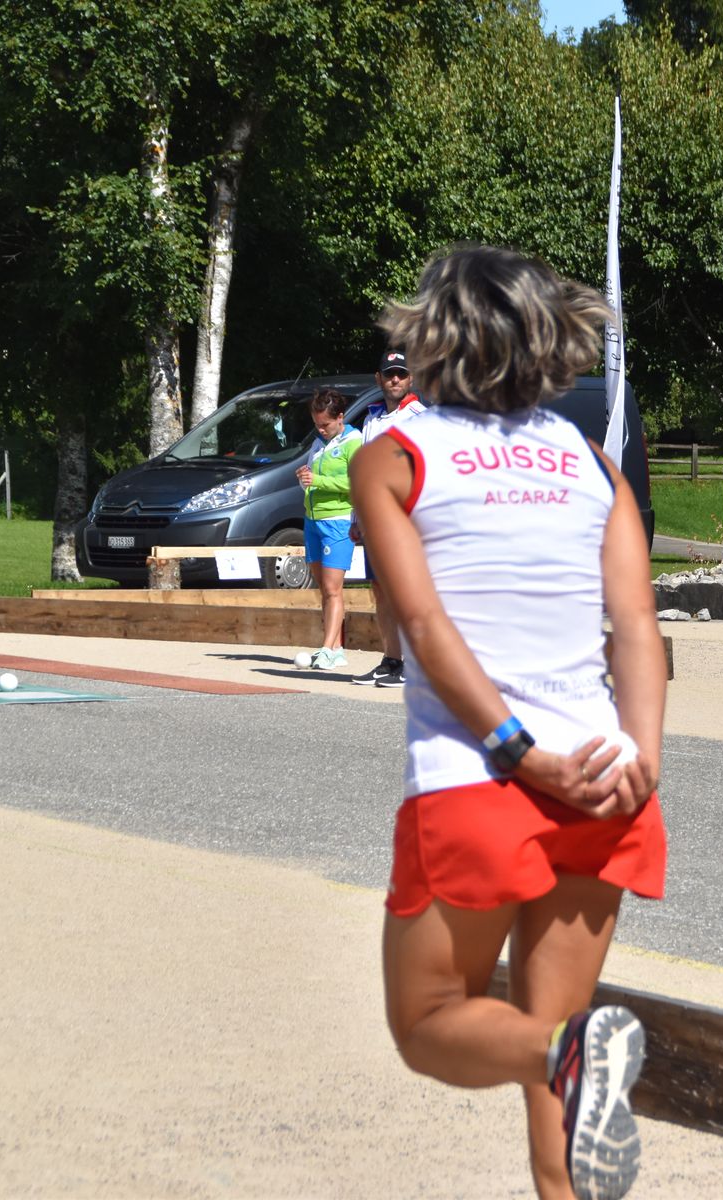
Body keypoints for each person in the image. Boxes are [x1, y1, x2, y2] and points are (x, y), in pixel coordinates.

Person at [351, 245, 666, 1200]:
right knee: (552, 1037)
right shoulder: (590, 461)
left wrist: (517, 753)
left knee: (431, 1023)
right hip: (606, 776)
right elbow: (636, 624)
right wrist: (644, 758)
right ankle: (571, 1068)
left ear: (432, 335)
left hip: (480, 781)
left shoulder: (394, 456)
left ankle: (570, 1052)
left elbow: (423, 625)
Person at [351, 350, 428, 688]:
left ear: (411, 378)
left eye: (401, 374)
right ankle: (392, 659)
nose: (395, 379)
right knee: (381, 591)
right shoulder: (372, 417)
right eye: (389, 373)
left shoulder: (421, 417)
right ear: (378, 378)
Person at [295, 388, 362, 671]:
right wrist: (303, 478)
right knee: (323, 587)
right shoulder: (317, 442)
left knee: (334, 589)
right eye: (316, 424)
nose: (321, 430)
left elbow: (356, 483)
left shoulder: (353, 441)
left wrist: (318, 481)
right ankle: (335, 649)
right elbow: (311, 479)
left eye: (325, 424)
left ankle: (326, 648)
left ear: (340, 417)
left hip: (338, 521)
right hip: (312, 519)